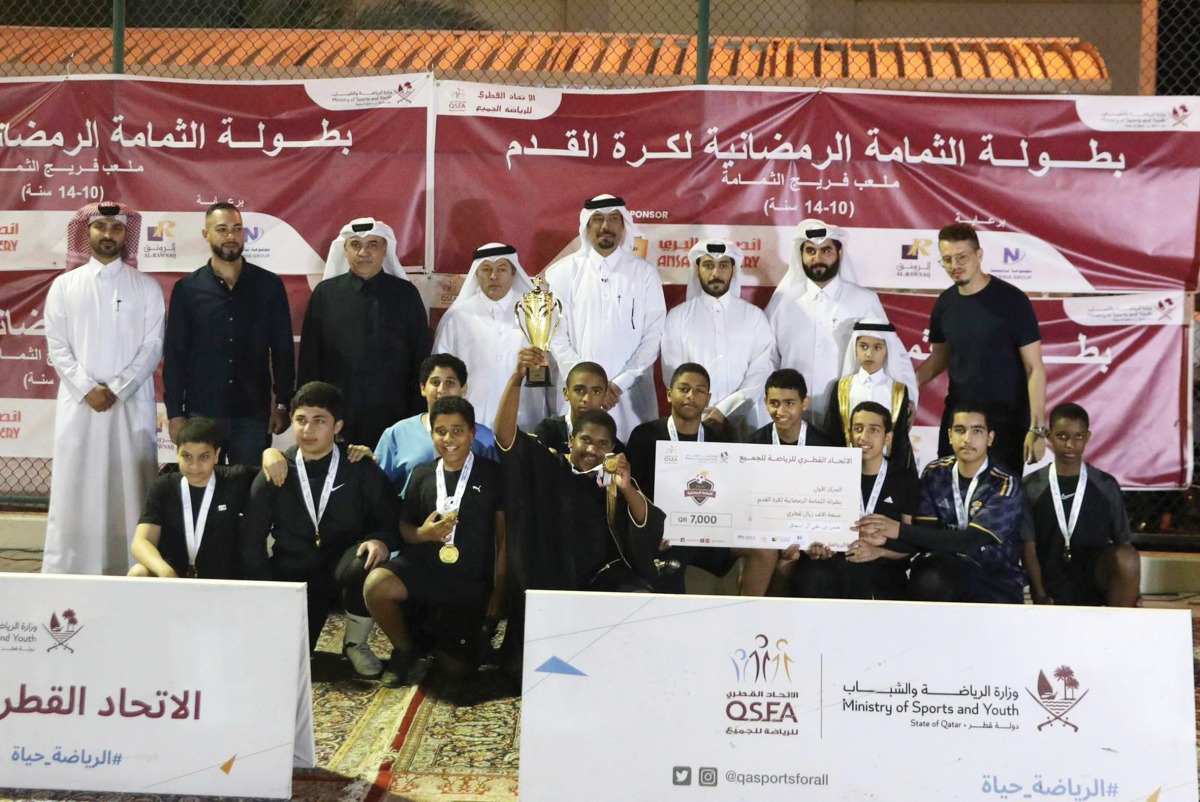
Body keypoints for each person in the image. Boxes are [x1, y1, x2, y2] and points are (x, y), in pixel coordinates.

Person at [494, 348, 665, 672]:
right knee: (524, 674)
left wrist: (627, 487)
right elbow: (506, 436)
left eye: (603, 445)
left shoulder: (615, 476)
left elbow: (648, 521)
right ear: (570, 440)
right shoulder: (549, 463)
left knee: (640, 596)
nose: (593, 450)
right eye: (586, 441)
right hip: (548, 570)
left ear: (612, 448)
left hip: (598, 572)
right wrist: (517, 378)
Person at [241, 382, 401, 676]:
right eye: (301, 420)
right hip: (293, 572)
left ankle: (355, 643)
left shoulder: (358, 466)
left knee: (365, 563)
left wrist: (380, 539)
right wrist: (267, 595)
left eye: (320, 421)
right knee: (287, 665)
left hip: (343, 562)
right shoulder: (276, 469)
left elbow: (389, 519)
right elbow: (251, 538)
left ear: (337, 425)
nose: (308, 430)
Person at [42, 201, 165, 576]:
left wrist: (118, 388)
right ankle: (70, 570)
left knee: (132, 487)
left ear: (126, 234)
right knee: (76, 487)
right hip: (80, 408)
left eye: (115, 228)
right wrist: (86, 388)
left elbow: (152, 345)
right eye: (100, 227)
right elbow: (58, 346)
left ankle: (134, 566)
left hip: (131, 406)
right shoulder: (64, 286)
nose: (108, 235)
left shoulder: (146, 287)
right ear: (87, 232)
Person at [364, 396, 506, 687]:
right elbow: (404, 526)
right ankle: (405, 650)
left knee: (454, 676)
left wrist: (497, 597)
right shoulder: (422, 474)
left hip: (469, 582)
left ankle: (447, 643)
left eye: (457, 430)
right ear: (432, 435)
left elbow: (503, 539)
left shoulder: (493, 475)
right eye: (441, 431)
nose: (449, 438)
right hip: (427, 570)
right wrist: (423, 535)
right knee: (376, 585)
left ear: (472, 433)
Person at [626, 363, 776, 596]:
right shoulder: (646, 435)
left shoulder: (720, 437)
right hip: (666, 536)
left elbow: (731, 492)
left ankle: (746, 618)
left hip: (710, 533)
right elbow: (635, 490)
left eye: (699, 391)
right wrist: (652, 534)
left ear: (708, 399)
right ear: (669, 394)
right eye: (684, 388)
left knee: (765, 550)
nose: (691, 396)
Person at [855, 401, 1025, 604]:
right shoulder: (935, 473)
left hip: (996, 579)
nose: (967, 439)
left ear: (990, 438)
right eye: (960, 430)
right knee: (929, 574)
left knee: (935, 573)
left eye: (977, 431)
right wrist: (883, 543)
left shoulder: (1005, 483)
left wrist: (897, 530)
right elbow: (925, 535)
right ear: (949, 435)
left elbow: (970, 541)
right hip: (947, 569)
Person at [163, 202, 294, 466]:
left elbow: (283, 349)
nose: (230, 236)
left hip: (253, 414)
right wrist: (175, 414)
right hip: (202, 413)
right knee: (203, 488)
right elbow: (175, 355)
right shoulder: (187, 290)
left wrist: (282, 403)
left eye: (236, 229)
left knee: (250, 490)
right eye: (221, 229)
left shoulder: (269, 286)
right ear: (206, 235)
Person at [916, 223, 1047, 473]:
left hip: (1005, 425)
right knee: (950, 500)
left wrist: (1037, 429)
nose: (955, 265)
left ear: (979, 255)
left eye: (962, 257)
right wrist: (906, 384)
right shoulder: (944, 304)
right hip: (958, 423)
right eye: (947, 259)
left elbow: (1035, 368)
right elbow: (939, 358)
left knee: (1000, 508)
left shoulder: (1013, 301)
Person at [298, 217, 432, 450]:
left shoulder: (406, 295)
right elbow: (311, 357)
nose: (363, 252)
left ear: (384, 249)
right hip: (338, 416)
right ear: (345, 250)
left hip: (395, 414)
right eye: (356, 245)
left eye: (372, 244)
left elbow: (420, 357)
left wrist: (417, 414)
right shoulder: (325, 295)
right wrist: (313, 410)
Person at [766, 218, 916, 423]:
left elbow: (892, 351)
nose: (817, 258)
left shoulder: (863, 300)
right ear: (800, 255)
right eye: (810, 251)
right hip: (791, 420)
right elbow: (767, 358)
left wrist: (909, 399)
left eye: (826, 250)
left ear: (840, 254)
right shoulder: (783, 303)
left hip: (846, 417)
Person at [545, 194, 666, 440]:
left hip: (630, 396)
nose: (605, 227)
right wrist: (587, 388)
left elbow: (654, 333)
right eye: (597, 219)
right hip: (579, 396)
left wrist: (620, 382)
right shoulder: (562, 273)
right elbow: (556, 335)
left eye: (613, 219)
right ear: (587, 227)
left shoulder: (644, 274)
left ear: (624, 227)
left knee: (632, 463)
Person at [785, 402, 920, 600]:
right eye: (858, 429)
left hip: (884, 565)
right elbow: (815, 527)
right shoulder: (832, 472)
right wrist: (816, 548)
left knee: (866, 582)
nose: (863, 437)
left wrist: (878, 552)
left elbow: (910, 543)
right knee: (811, 576)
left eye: (873, 430)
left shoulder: (904, 478)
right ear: (850, 434)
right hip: (836, 561)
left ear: (888, 437)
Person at [1022, 403, 1140, 607]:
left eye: (1078, 437)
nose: (1070, 444)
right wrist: (1039, 594)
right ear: (1049, 437)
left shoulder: (1105, 485)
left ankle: (1119, 631)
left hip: (1095, 579)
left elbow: (1124, 543)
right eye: (1062, 436)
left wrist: (1133, 591)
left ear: (1087, 437)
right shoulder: (1032, 486)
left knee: (1128, 557)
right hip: (1052, 583)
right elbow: (1028, 548)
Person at [661, 238, 776, 440]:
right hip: (693, 421)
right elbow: (673, 373)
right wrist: (700, 409)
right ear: (697, 270)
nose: (716, 273)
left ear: (733, 270)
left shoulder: (754, 317)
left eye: (723, 265)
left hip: (744, 421)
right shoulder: (678, 317)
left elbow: (760, 371)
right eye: (708, 265)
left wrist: (725, 409)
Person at [433, 242, 549, 431]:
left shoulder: (535, 311)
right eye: (486, 269)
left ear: (514, 272)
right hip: (472, 422)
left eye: (501, 269)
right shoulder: (458, 317)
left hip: (526, 419)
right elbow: (443, 372)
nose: (493, 276)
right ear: (476, 274)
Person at [129, 417, 255, 579]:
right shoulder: (163, 487)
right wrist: (165, 572)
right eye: (186, 456)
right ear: (177, 453)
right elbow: (141, 541)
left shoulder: (235, 479)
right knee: (138, 573)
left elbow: (271, 469)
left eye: (203, 457)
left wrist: (270, 453)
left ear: (216, 455)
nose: (194, 466)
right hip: (173, 575)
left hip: (223, 579)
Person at [375, 353, 499, 496]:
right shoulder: (396, 434)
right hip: (412, 517)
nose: (441, 390)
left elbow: (494, 488)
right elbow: (378, 488)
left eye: (450, 382)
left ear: (464, 388)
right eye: (435, 382)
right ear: (423, 388)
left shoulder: (484, 438)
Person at [826, 319, 917, 475]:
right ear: (855, 349)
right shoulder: (842, 387)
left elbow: (900, 438)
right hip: (846, 469)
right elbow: (834, 431)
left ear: (887, 350)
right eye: (863, 347)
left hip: (886, 470)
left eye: (877, 347)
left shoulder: (898, 390)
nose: (869, 353)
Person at [531, 360, 626, 456]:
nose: (587, 399)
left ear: (605, 396)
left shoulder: (615, 447)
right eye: (579, 390)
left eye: (596, 392)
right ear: (566, 393)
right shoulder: (548, 431)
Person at [745, 369, 838, 446]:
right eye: (774, 403)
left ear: (804, 403)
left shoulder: (824, 446)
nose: (780, 412)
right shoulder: (753, 445)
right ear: (766, 403)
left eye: (789, 403)